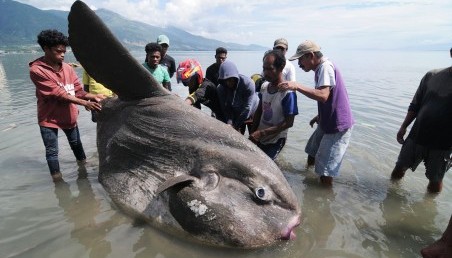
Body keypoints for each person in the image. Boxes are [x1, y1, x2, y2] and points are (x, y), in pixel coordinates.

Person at [29, 29, 105, 182]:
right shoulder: (36, 70)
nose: (63, 55)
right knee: (52, 151)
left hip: (68, 114)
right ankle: (57, 180)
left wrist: (93, 96)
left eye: (64, 51)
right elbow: (58, 93)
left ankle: (83, 169)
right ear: (46, 48)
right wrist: (85, 103)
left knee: (77, 144)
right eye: (58, 51)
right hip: (49, 118)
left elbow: (77, 90)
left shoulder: (68, 68)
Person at [278, 40, 354, 187]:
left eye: (300, 59)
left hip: (337, 125)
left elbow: (323, 95)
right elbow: (332, 96)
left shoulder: (325, 67)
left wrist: (297, 85)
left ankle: (324, 196)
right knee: (312, 150)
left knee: (325, 170)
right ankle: (308, 178)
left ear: (310, 56)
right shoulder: (321, 68)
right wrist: (320, 115)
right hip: (327, 120)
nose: (299, 64)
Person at [390, 48, 452, 193]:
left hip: (443, 144)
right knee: (399, 168)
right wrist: (403, 126)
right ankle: (391, 195)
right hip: (417, 135)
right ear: (450, 53)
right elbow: (415, 104)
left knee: (435, 179)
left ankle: (429, 205)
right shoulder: (432, 75)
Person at [249, 50, 298, 160]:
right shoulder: (265, 86)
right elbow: (259, 111)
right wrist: (253, 132)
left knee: (267, 165)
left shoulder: (288, 93)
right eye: (264, 69)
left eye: (270, 69)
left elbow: (289, 123)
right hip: (261, 136)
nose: (266, 73)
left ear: (281, 68)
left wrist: (262, 133)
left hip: (276, 139)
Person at [217, 60, 259, 134]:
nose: (228, 83)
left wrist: (236, 126)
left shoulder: (248, 84)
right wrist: (230, 123)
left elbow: (247, 108)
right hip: (236, 112)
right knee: (237, 135)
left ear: (235, 77)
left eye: (230, 79)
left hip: (253, 112)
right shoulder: (220, 89)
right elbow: (226, 109)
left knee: (254, 137)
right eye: (225, 80)